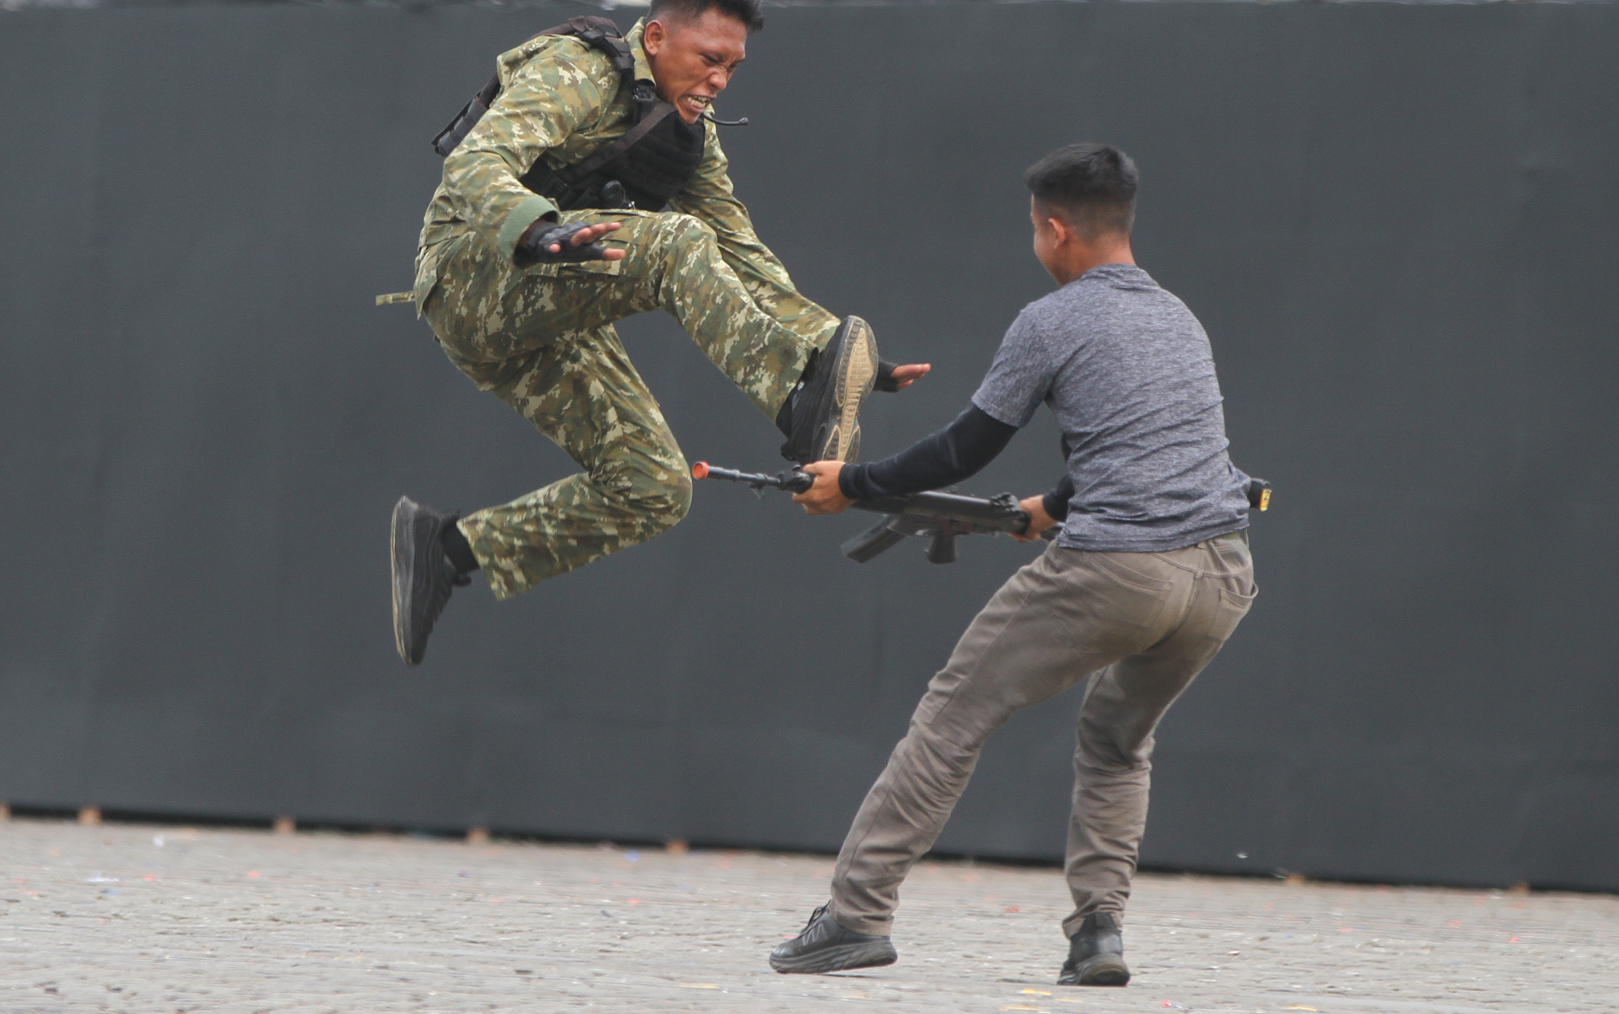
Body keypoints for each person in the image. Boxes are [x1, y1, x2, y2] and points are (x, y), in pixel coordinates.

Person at [770, 144, 1259, 986]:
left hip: (1118, 570)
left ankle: (854, 915)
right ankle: (1097, 934)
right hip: (1220, 575)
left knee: (952, 716)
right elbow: (1152, 446)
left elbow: (964, 448)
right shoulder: (1177, 315)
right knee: (1116, 742)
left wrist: (852, 482)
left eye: (1035, 231)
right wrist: (1052, 506)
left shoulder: (1052, 318)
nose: (1036, 245)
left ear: (1056, 229)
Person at [390, 0, 928, 665]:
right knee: (674, 244)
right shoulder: (579, 70)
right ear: (654, 37)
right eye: (708, 60)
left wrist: (836, 349)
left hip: (547, 309)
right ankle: (795, 403)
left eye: (732, 67)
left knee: (654, 488)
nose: (719, 81)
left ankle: (450, 549)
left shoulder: (691, 134)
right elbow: (475, 163)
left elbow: (740, 252)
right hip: (471, 276)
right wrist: (536, 227)